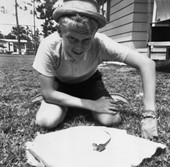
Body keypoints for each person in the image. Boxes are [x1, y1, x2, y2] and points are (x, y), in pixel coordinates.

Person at [32, 0, 158, 139]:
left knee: (110, 119)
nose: (78, 48)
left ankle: (77, 102)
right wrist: (92, 104)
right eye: (72, 38)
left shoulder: (101, 42)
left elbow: (147, 64)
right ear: (60, 32)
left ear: (95, 33)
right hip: (60, 85)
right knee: (46, 120)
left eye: (86, 40)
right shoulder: (49, 45)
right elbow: (48, 93)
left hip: (90, 82)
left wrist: (149, 115)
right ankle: (66, 104)